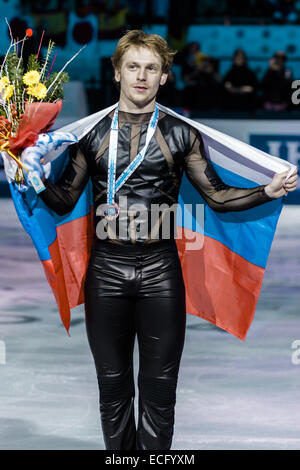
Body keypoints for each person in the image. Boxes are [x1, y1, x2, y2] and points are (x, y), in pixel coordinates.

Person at [20, 30, 298, 450]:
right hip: (106, 273)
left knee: (160, 393)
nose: (141, 76)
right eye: (133, 66)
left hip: (160, 274)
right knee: (113, 392)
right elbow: (61, 203)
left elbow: (218, 197)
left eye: (152, 68)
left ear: (164, 77)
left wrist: (267, 191)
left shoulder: (182, 135)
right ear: (117, 73)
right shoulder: (91, 136)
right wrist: (32, 176)